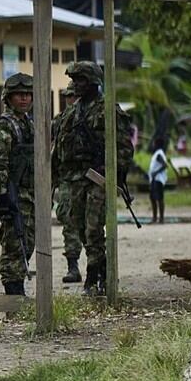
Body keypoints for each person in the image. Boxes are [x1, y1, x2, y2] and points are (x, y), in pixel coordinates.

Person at [52, 61, 134, 296]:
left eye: (81, 80)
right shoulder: (71, 112)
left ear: (93, 82)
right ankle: (101, 268)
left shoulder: (108, 110)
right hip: (75, 178)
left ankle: (93, 275)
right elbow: (59, 146)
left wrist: (114, 174)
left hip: (99, 179)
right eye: (74, 80)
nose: (76, 84)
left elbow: (124, 147)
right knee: (78, 227)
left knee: (94, 228)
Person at [0, 72, 35, 296]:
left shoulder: (28, 124)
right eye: (19, 95)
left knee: (28, 240)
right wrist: (3, 195)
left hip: (29, 193)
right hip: (13, 193)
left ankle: (17, 285)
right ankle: (13, 291)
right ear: (8, 97)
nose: (24, 98)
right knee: (14, 242)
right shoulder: (4, 126)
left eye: (28, 94)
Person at [52, 81, 83, 283]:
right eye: (68, 96)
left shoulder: (91, 119)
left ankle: (99, 269)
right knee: (67, 218)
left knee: (92, 224)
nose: (70, 100)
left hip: (88, 178)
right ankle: (73, 266)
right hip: (66, 178)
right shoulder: (59, 121)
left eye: (73, 96)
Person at [148, 137, 168, 224]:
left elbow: (164, 165)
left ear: (157, 145)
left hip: (158, 179)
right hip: (154, 179)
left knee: (159, 198)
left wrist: (155, 172)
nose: (152, 145)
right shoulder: (157, 154)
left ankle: (161, 218)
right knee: (153, 198)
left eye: (154, 143)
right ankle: (155, 218)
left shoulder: (159, 154)